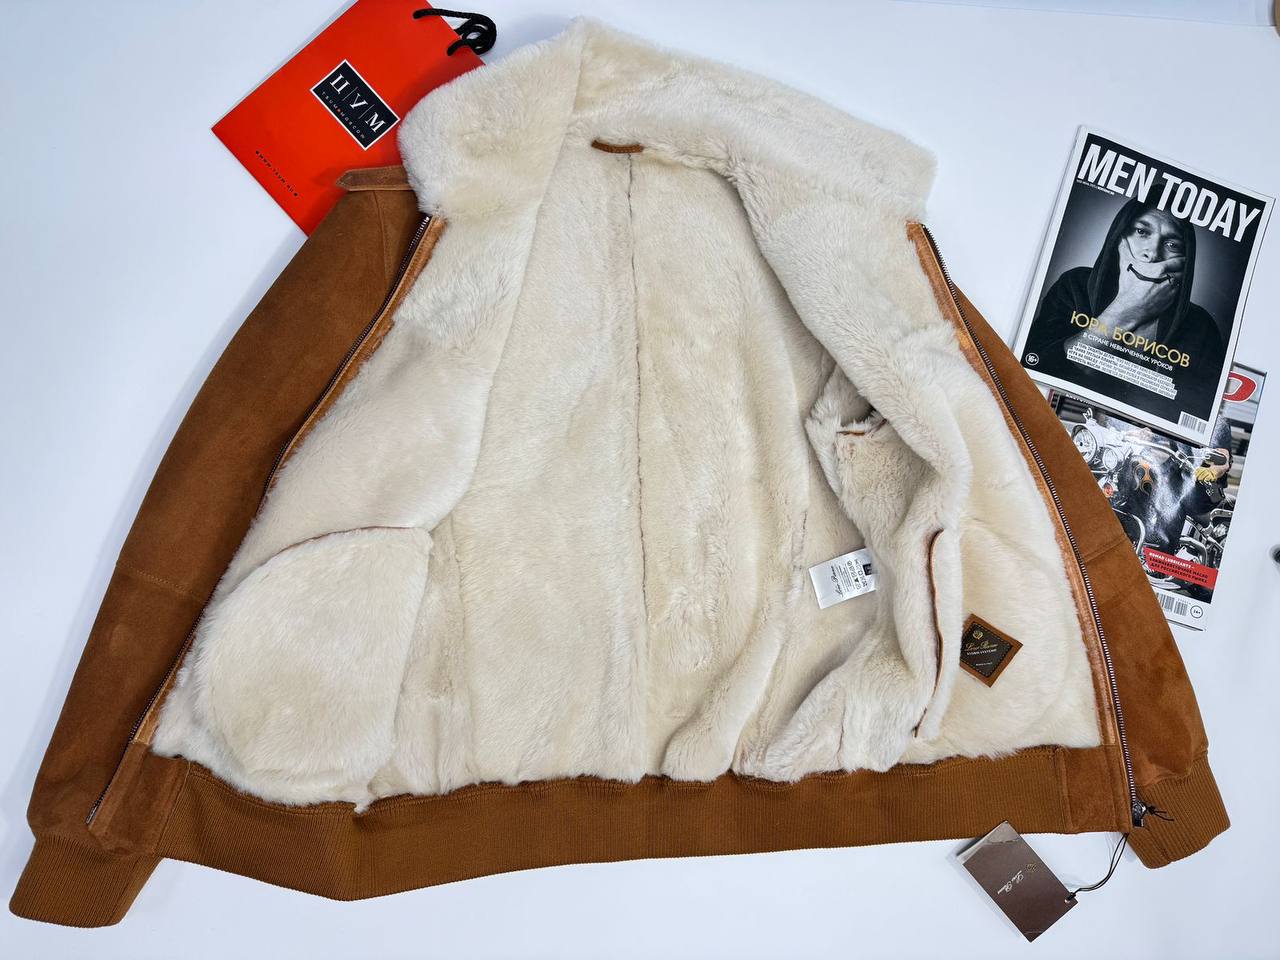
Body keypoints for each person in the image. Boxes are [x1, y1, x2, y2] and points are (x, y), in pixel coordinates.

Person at [1023, 198, 1226, 424]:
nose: (1152, 253)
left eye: (1172, 244)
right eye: (1141, 232)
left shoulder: (1201, 326)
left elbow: (1195, 414)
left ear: (1186, 260)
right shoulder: (1074, 285)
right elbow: (1034, 369)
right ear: (1120, 238)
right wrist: (1127, 309)